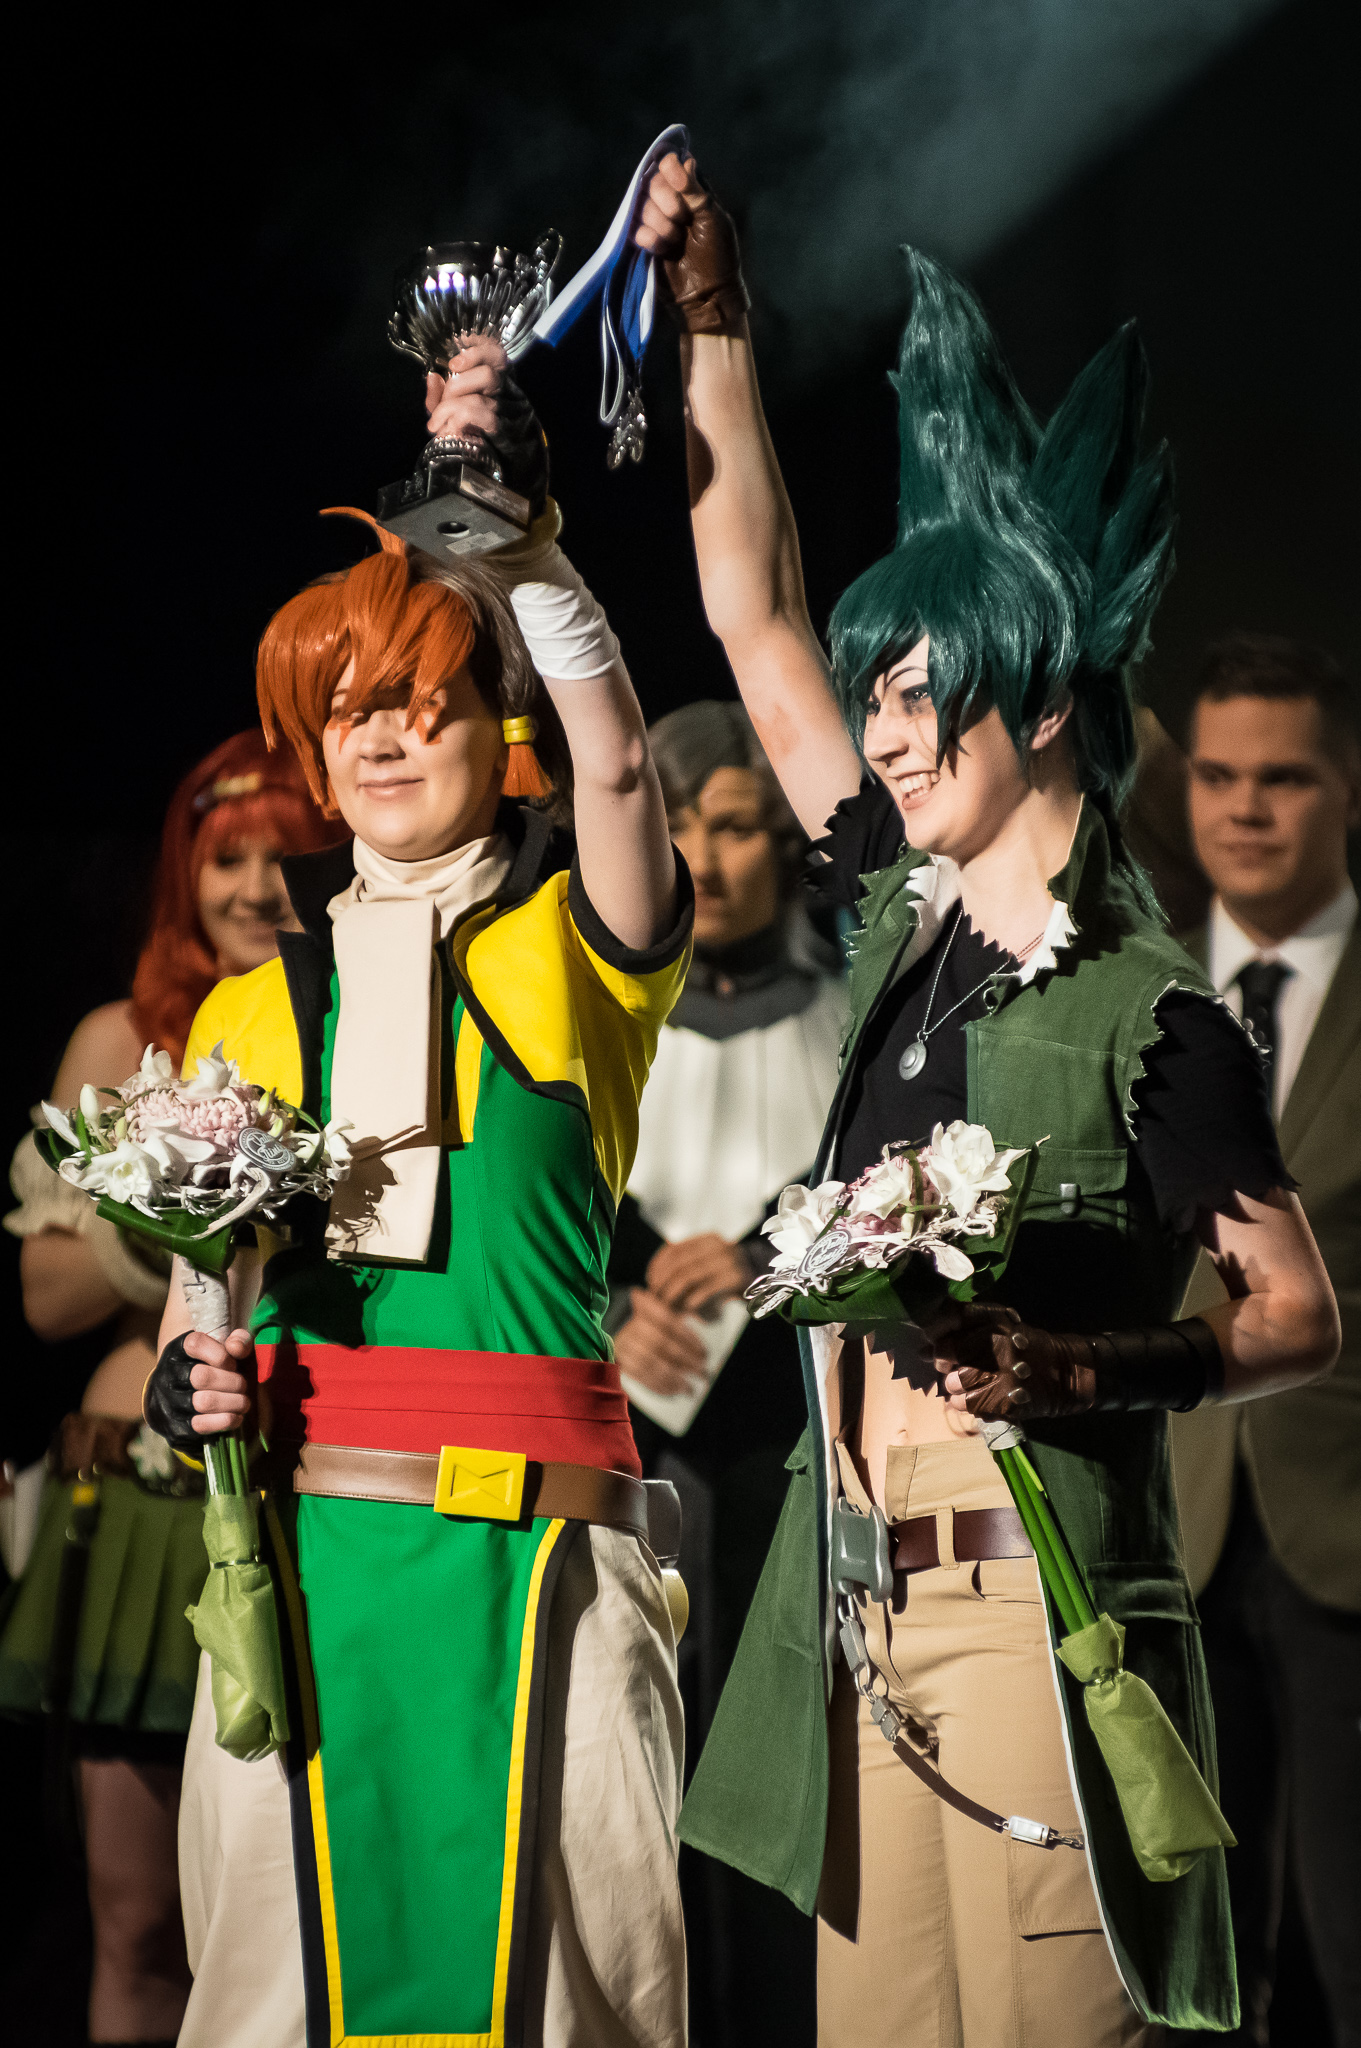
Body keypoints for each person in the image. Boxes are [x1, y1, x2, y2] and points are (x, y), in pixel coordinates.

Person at [634, 154, 1340, 2044]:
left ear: (1036, 706)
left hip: (1045, 1606)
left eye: (915, 693)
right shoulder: (893, 921)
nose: (874, 733)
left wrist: (1091, 1369)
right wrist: (712, 322)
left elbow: (1292, 1314)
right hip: (860, 1611)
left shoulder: (1148, 1014)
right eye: (869, 699)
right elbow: (748, 610)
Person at [141, 359, 694, 2048]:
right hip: (298, 1573)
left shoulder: (578, 946)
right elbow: (197, 1306)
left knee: (570, 1999)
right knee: (274, 2001)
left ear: (492, 728)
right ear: (315, 754)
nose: (383, 733)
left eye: (421, 698)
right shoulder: (243, 1013)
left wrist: (525, 558)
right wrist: (184, 1379)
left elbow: (619, 773)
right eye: (349, 709)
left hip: (547, 1564)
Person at [0, 728, 335, 2048]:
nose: (254, 887)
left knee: (288, 1916)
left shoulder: (359, 1031)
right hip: (141, 1502)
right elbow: (44, 1297)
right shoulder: (121, 1037)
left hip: (308, 1485)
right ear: (180, 876)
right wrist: (183, 1212)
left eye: (280, 855)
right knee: (140, 1922)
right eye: (225, 858)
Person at [610, 699, 843, 2047]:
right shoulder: (602, 1019)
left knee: (769, 1741)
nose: (706, 857)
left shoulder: (850, 1017)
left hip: (785, 1432)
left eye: (739, 825)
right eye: (682, 826)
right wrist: (609, 1311)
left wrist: (766, 1258)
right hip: (628, 1430)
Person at [1168, 633, 1361, 2048]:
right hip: (1172, 1533)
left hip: (1348, 1529)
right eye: (1216, 775)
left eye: (1281, 778)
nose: (1243, 807)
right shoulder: (1132, 988)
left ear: (1347, 787)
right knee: (1200, 1968)